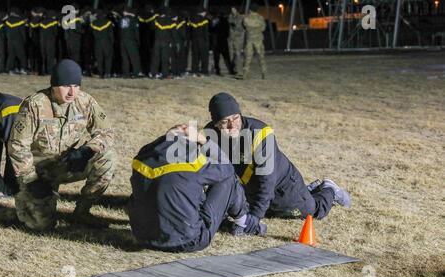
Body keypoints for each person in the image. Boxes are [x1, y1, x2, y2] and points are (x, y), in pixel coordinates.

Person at [204, 92, 351, 235]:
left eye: (235, 118)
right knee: (268, 210)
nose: (231, 125)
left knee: (311, 211)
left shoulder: (260, 134)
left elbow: (266, 181)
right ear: (216, 123)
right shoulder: (210, 134)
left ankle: (329, 190)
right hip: (250, 188)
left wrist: (254, 220)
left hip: (282, 186)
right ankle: (309, 191)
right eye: (224, 122)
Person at [8, 59, 116, 231]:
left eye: (76, 85)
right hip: (39, 172)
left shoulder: (85, 102)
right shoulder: (35, 105)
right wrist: (30, 180)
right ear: (54, 85)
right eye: (66, 86)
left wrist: (86, 151)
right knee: (41, 226)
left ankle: (82, 212)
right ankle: (26, 202)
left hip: (67, 163)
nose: (72, 91)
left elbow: (107, 132)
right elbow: (17, 145)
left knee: (107, 157)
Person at [127, 125, 265, 253]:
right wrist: (203, 141)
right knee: (228, 179)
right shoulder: (192, 162)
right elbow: (227, 167)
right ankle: (245, 222)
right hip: (188, 241)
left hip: (142, 237)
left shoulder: (141, 159)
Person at [0, 92, 22, 197]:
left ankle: (10, 190)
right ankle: (1, 189)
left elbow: (15, 150)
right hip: (6, 109)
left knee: (14, 149)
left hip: (12, 111)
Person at [149, 6, 176, 79]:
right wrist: (174, 42)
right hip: (166, 41)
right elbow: (173, 33)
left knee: (155, 58)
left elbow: (152, 28)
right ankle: (165, 74)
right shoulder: (171, 21)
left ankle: (153, 73)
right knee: (165, 58)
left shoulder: (157, 20)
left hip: (157, 41)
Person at [242, 3, 266, 80]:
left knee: (248, 57)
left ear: (250, 10)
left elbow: (245, 26)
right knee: (261, 56)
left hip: (250, 39)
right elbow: (263, 28)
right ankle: (264, 73)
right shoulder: (261, 18)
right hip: (258, 39)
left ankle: (245, 74)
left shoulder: (246, 18)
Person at [118, 6, 142, 78]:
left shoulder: (121, 19)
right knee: (134, 57)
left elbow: (119, 30)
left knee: (125, 58)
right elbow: (136, 31)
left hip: (122, 41)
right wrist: (138, 41)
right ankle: (136, 73)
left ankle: (126, 74)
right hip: (131, 41)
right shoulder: (133, 19)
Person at [90, 9, 114, 79]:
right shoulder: (108, 22)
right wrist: (112, 43)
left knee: (99, 59)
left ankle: (100, 74)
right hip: (107, 42)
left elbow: (91, 34)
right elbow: (111, 34)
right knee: (108, 58)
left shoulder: (93, 23)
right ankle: (107, 73)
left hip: (97, 43)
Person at [5, 7, 27, 75]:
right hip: (18, 40)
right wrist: (24, 40)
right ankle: (23, 69)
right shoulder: (20, 21)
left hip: (10, 40)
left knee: (11, 55)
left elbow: (6, 31)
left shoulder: (7, 21)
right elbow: (23, 32)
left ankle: (10, 70)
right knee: (22, 55)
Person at [189, 6, 209, 77]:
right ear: (203, 12)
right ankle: (204, 71)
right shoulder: (205, 20)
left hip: (194, 39)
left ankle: (194, 71)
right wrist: (207, 40)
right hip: (202, 40)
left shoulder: (192, 19)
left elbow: (190, 30)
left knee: (195, 56)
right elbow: (205, 31)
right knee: (204, 56)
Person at [40, 10, 59, 75]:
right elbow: (56, 32)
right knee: (50, 56)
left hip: (42, 41)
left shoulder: (42, 22)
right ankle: (49, 71)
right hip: (50, 41)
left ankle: (42, 70)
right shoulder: (54, 22)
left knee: (43, 55)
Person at [228, 7, 244, 77]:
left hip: (238, 38)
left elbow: (242, 28)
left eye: (234, 9)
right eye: (232, 10)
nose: (233, 11)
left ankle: (239, 71)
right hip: (231, 38)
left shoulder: (241, 17)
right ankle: (233, 69)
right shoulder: (230, 16)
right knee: (232, 55)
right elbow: (228, 23)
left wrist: (234, 25)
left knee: (237, 54)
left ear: (237, 10)